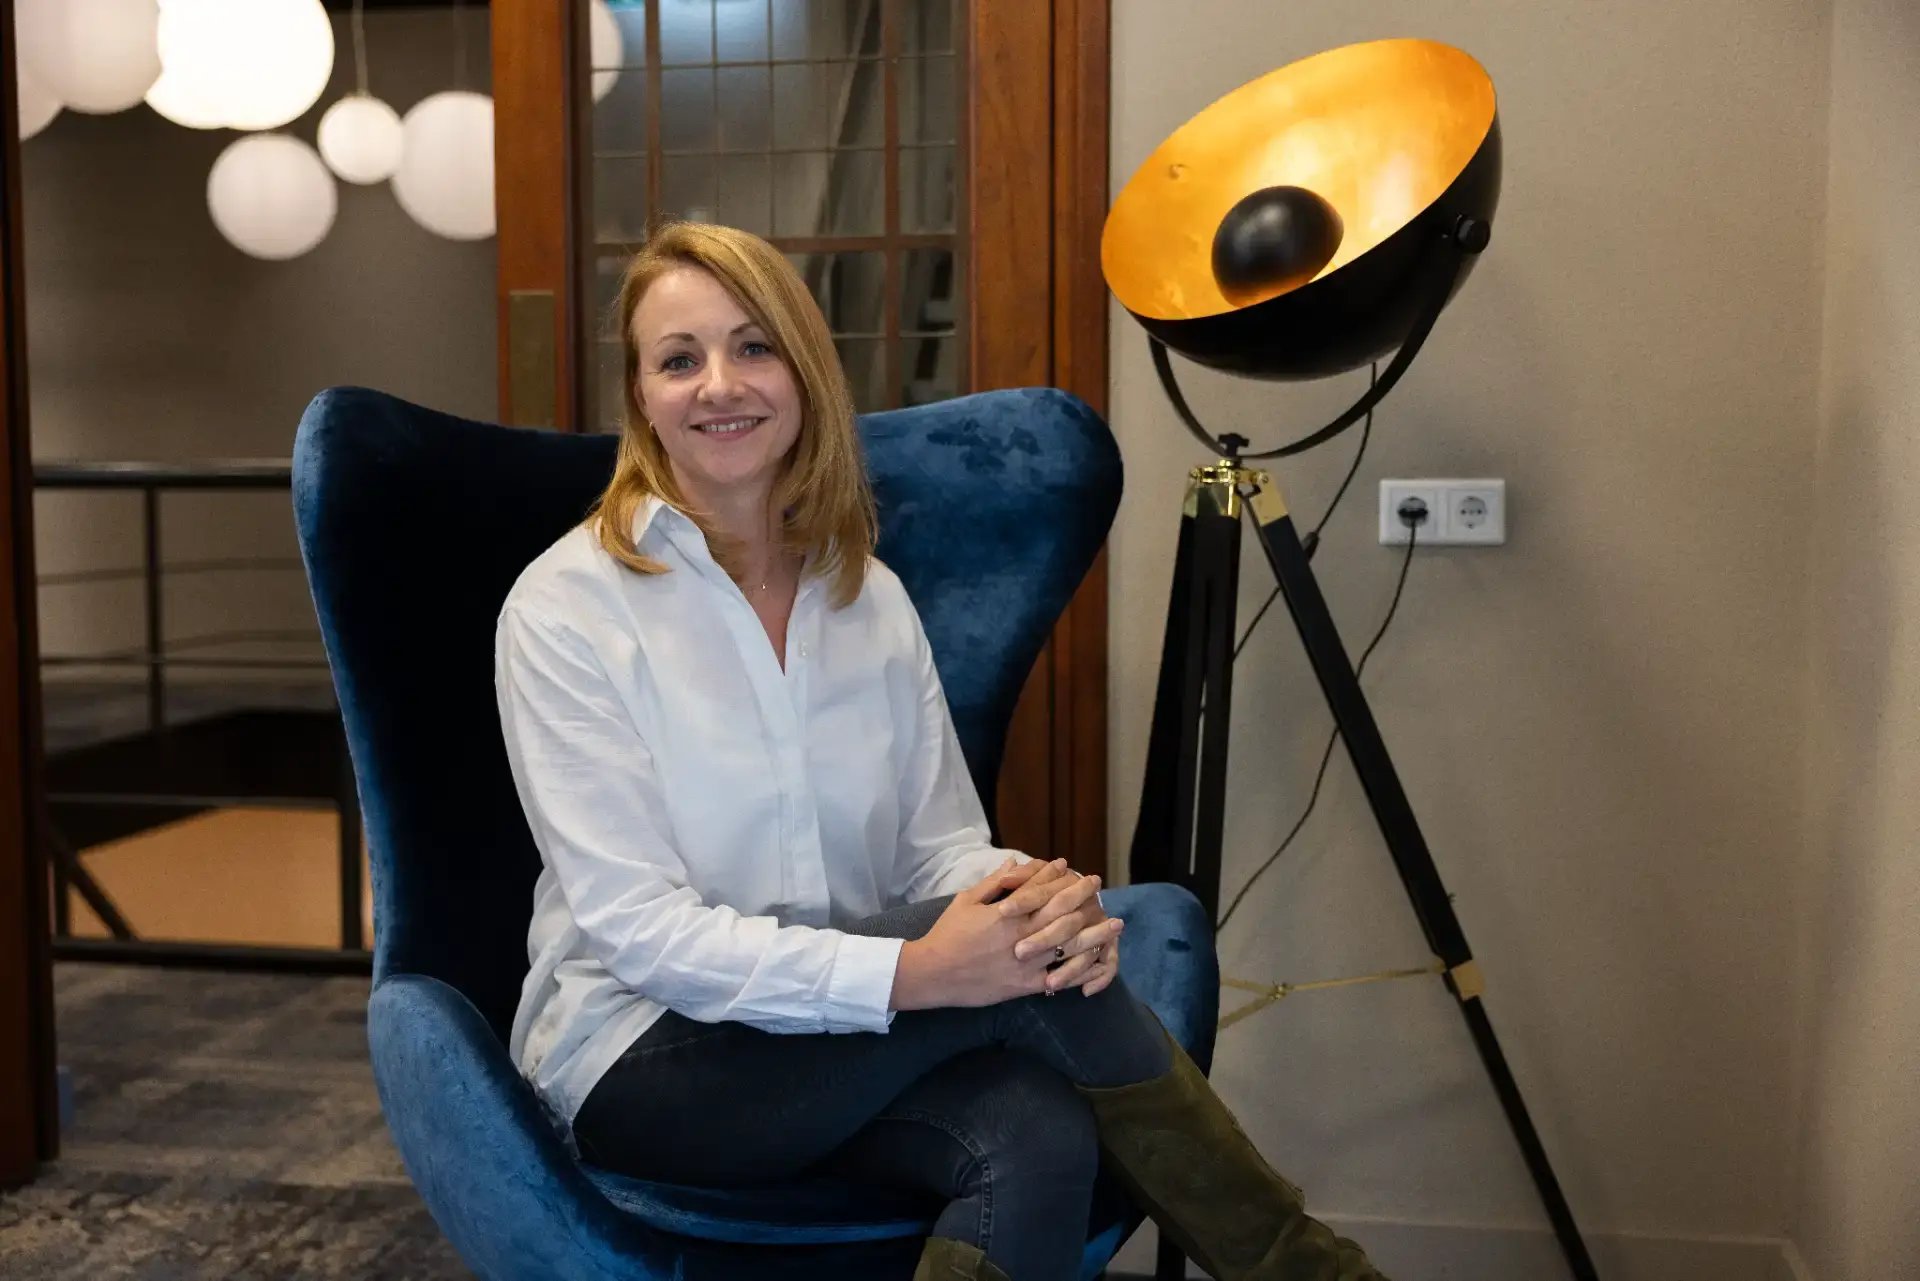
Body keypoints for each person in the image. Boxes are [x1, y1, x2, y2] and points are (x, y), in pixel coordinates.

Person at [494, 221, 1388, 1281]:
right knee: (1011, 966)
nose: (718, 385)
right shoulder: (566, 609)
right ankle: (1309, 1269)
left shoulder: (865, 594)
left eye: (753, 347)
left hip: (839, 1042)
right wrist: (917, 971)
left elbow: (937, 852)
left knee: (1033, 1128)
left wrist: (1043, 905)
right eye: (679, 359)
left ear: (803, 371)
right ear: (641, 395)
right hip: (645, 1058)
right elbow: (644, 936)